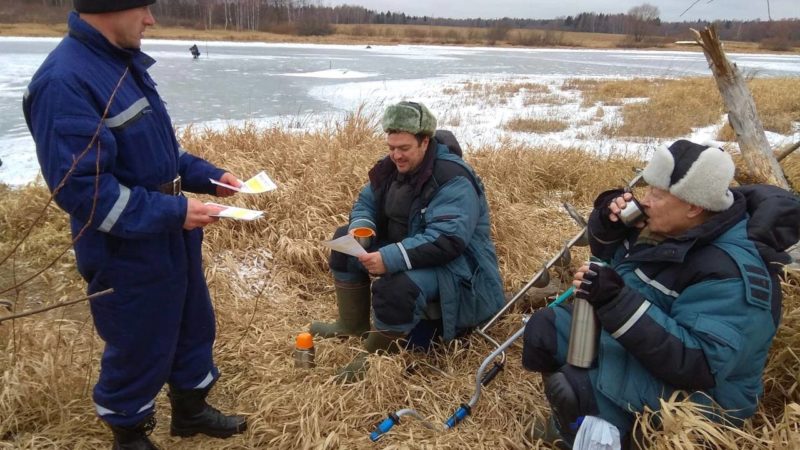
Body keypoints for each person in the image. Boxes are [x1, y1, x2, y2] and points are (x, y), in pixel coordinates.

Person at [23, 1, 247, 448]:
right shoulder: (65, 81)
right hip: (123, 246)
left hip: (169, 234)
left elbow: (161, 156)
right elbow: (85, 193)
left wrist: (208, 176)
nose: (151, 20)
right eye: (143, 9)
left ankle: (190, 410)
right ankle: (128, 432)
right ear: (110, 8)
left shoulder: (120, 65)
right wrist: (176, 212)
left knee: (191, 322)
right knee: (139, 338)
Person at [522, 140, 800, 448]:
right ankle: (573, 423)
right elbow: (614, 260)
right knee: (544, 331)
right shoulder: (671, 228)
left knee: (576, 388)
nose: (646, 200)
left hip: (706, 397)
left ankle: (606, 428)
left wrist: (615, 301)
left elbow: (698, 365)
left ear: (693, 205)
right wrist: (607, 225)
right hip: (649, 348)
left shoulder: (733, 273)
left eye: (657, 193)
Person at [310, 101, 505, 382]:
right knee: (343, 241)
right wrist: (361, 226)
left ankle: (376, 357)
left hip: (459, 269)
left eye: (404, 148)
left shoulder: (452, 179)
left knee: (396, 287)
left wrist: (389, 258)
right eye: (391, 147)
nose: (395, 155)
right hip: (415, 249)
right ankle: (351, 325)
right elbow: (367, 200)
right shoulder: (391, 167)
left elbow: (447, 240)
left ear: (425, 142)